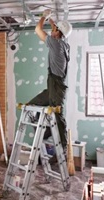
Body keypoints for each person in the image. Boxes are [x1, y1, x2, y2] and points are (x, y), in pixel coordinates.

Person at [27, 9, 72, 155]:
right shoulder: (63, 43)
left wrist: (44, 16)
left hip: (57, 88)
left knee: (58, 115)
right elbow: (57, 30)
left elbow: (37, 29)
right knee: (31, 105)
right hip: (53, 87)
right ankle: (45, 132)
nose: (51, 31)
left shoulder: (55, 43)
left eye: (53, 29)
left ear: (58, 34)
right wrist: (53, 21)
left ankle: (63, 148)